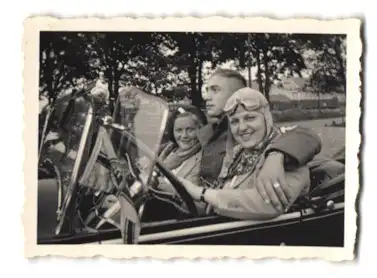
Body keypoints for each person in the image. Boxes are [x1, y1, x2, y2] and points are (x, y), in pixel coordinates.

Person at [198, 68, 322, 211]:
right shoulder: (208, 134)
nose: (207, 97)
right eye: (207, 90)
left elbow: (305, 136)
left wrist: (276, 155)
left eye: (215, 90)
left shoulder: (258, 133)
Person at [178, 87, 310, 220]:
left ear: (266, 119)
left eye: (250, 118)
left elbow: (267, 205)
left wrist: (202, 193)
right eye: (235, 121)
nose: (242, 128)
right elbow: (217, 200)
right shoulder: (236, 154)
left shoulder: (288, 154)